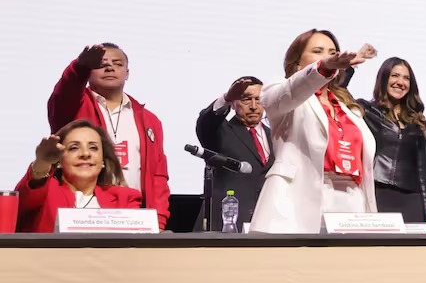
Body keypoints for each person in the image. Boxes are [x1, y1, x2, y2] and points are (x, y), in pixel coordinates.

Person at [250, 30, 379, 233]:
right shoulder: (282, 93)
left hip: (352, 200)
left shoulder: (348, 108)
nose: (327, 57)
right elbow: (287, 92)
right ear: (297, 63)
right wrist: (323, 67)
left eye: (332, 52)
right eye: (318, 51)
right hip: (297, 202)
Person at [46, 43, 170, 227]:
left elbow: (158, 176)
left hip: (135, 216)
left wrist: (158, 222)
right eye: (101, 64)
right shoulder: (74, 107)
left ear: (127, 73)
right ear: (89, 71)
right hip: (82, 214)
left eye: (118, 63)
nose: (110, 67)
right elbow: (64, 93)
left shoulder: (149, 120)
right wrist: (79, 67)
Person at [16, 121, 142, 232]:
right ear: (58, 160)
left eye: (93, 148)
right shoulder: (46, 192)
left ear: (103, 160)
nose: (85, 154)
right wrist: (43, 162)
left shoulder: (124, 198)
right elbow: (27, 194)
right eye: (74, 148)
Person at [195, 76, 274, 231]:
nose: (253, 106)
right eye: (246, 99)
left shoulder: (276, 135)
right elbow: (206, 121)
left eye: (258, 99)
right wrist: (227, 97)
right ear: (233, 103)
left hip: (267, 223)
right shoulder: (220, 131)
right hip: (227, 226)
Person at [359, 57, 426, 222]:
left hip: (411, 198)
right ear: (384, 78)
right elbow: (339, 92)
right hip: (377, 191)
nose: (400, 82)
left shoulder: (417, 122)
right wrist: (349, 67)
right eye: (395, 76)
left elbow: (422, 172)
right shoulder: (367, 111)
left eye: (406, 78)